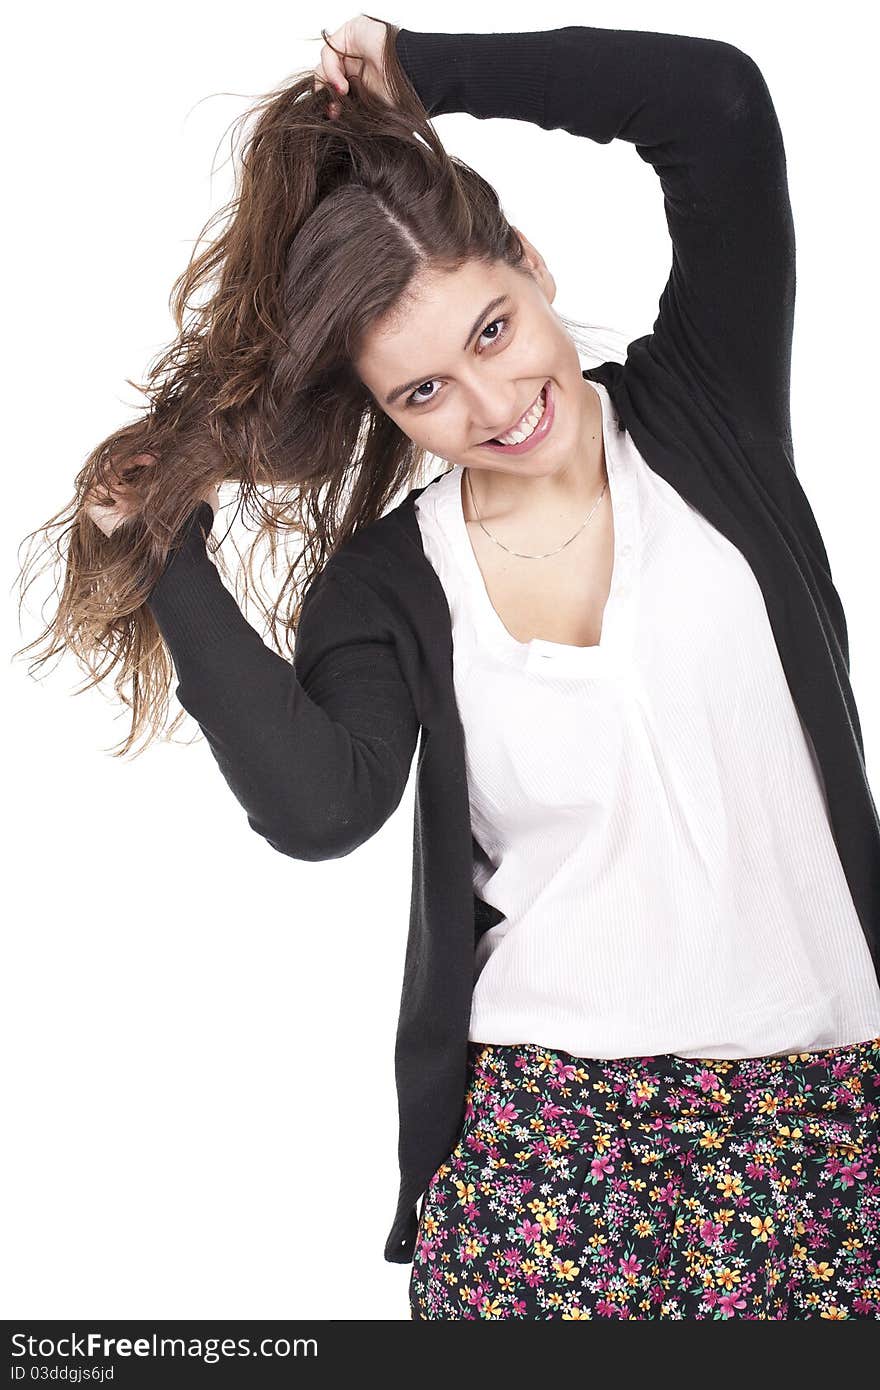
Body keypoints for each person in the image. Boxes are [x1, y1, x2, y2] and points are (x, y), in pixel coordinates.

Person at [15, 15, 880, 1320]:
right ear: (384, 412)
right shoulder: (389, 583)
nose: (489, 406)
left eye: (491, 330)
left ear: (530, 265)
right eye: (422, 393)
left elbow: (722, 107)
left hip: (828, 1135)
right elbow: (322, 804)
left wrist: (434, 69)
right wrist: (167, 551)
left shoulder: (712, 409)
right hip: (551, 1165)